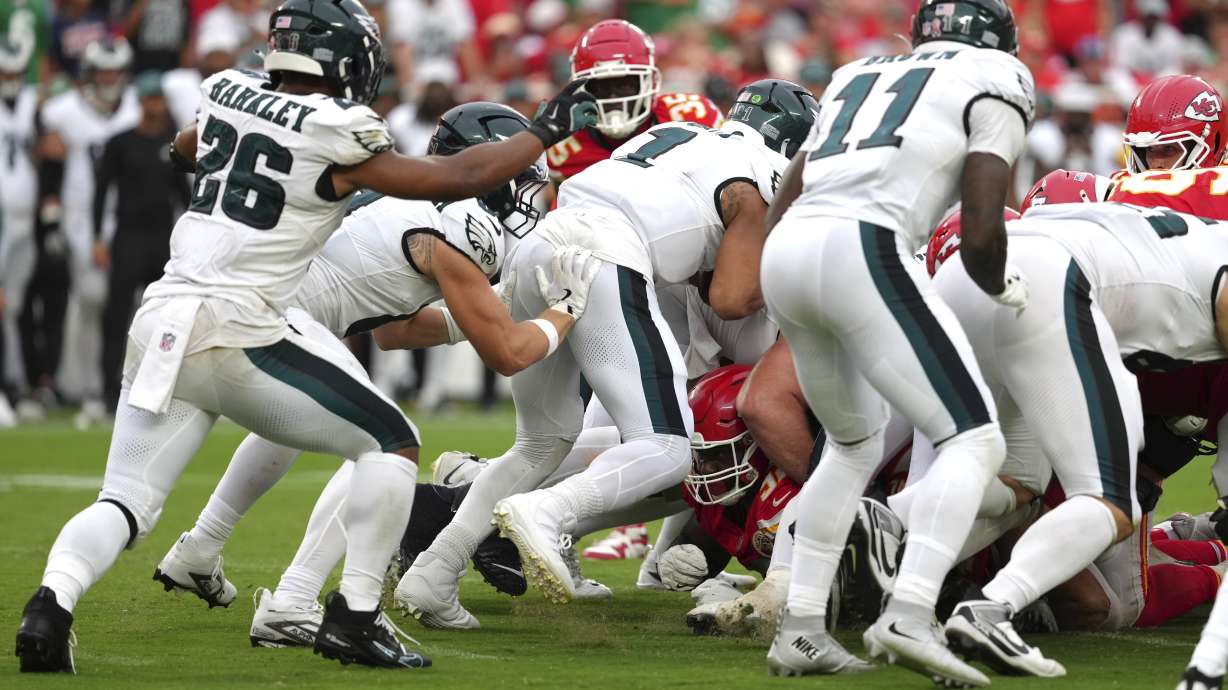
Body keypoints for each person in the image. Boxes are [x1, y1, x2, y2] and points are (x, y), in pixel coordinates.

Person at [14, 0, 598, 673]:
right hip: (245, 326)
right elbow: (459, 178)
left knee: (123, 502)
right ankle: (350, 618)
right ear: (344, 60)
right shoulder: (346, 131)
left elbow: (182, 149)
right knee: (390, 442)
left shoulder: (230, 88)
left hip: (164, 317)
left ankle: (51, 605)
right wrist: (548, 130)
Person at [149, 101, 601, 648]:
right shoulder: (463, 219)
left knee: (301, 428)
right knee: (380, 445)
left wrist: (490, 306)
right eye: (514, 173)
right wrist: (564, 310)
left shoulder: (408, 197)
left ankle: (201, 547)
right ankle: (293, 600)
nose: (527, 190)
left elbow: (395, 330)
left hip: (252, 309)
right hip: (273, 319)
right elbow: (507, 354)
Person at [394, 78, 814, 629]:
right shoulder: (764, 172)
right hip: (607, 255)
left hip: (545, 246)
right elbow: (733, 298)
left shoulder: (679, 132)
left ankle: (435, 572)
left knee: (538, 443)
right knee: (667, 447)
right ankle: (547, 514)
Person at [759, 0, 1034, 683]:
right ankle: (909, 611)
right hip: (867, 244)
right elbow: (979, 229)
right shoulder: (997, 74)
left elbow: (786, 195)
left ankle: (800, 629)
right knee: (975, 440)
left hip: (788, 249)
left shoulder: (858, 71)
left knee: (852, 444)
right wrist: (1001, 284)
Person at [38, 37, 139, 422]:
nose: (110, 78)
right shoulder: (65, 113)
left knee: (131, 307)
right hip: (82, 219)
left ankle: (122, 385)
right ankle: (92, 386)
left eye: (115, 70)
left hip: (129, 217)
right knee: (92, 302)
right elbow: (48, 163)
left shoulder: (134, 108)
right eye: (103, 71)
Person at [92, 71, 190, 415]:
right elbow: (101, 192)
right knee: (117, 316)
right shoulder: (121, 143)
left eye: (159, 98)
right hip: (128, 237)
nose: (155, 105)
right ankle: (108, 391)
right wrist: (96, 238)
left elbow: (185, 198)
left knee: (165, 319)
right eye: (150, 98)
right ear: (140, 101)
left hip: (161, 239)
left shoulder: (173, 144)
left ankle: (158, 389)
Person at [0, 36, 36, 426]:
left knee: (15, 309)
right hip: (1, 216)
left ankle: (16, 384)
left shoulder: (33, 103)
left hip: (24, 218)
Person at [1121, 74, 1228, 175]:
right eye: (1150, 149)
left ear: (1213, 145)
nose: (1156, 164)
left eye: (1169, 149)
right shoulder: (1121, 185)